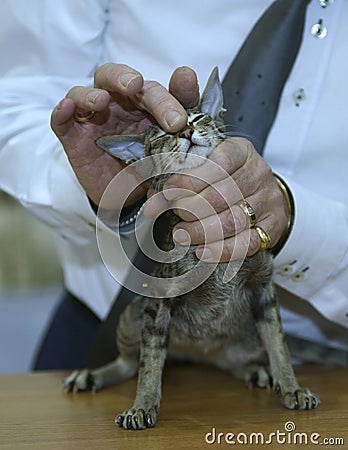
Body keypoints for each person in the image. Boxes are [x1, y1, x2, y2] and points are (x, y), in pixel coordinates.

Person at [0, 0, 347, 370]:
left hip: (320, 359)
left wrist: (297, 224)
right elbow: (16, 98)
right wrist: (112, 189)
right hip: (116, 333)